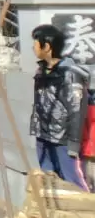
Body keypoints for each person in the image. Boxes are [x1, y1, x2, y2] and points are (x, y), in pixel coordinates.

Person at [30, 24, 91, 191]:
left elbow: (76, 111)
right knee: (49, 183)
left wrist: (73, 144)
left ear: (47, 46)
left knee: (74, 183)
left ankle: (86, 216)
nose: (33, 47)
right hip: (43, 135)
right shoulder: (41, 71)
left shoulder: (70, 74)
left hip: (63, 139)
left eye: (36, 43)